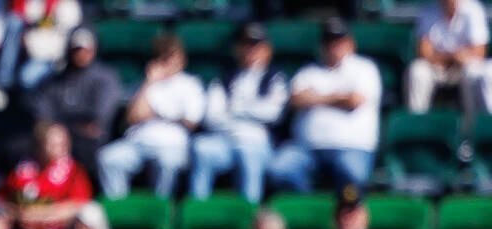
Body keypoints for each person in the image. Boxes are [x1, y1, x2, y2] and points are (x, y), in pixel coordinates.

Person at [268, 20, 382, 193]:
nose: (334, 46)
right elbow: (296, 99)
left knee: (352, 173)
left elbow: (354, 101)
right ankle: (308, 205)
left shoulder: (364, 68)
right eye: (329, 41)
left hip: (352, 147)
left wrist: (316, 97)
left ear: (351, 43)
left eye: (339, 40)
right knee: (279, 170)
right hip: (306, 147)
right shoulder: (308, 71)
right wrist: (337, 97)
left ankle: (344, 209)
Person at [188, 22, 289, 202]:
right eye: (246, 45)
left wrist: (236, 109)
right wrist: (249, 114)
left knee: (248, 151)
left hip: (258, 144)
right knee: (201, 147)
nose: (251, 51)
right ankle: (198, 207)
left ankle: (250, 209)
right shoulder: (224, 78)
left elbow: (273, 113)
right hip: (225, 141)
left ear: (267, 49)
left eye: (256, 45)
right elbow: (212, 117)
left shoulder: (274, 78)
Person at [96, 33, 205, 198]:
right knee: (108, 159)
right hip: (137, 143)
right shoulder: (145, 83)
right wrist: (149, 82)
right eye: (163, 57)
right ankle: (120, 208)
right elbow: (133, 117)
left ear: (182, 59)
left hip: (171, 145)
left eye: (172, 56)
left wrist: (158, 112)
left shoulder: (190, 85)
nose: (168, 61)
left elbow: (191, 121)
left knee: (168, 163)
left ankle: (161, 210)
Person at [27, 26, 121, 175]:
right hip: (55, 138)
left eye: (86, 49)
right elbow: (43, 117)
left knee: (87, 149)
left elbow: (98, 120)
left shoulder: (105, 79)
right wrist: (68, 127)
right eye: (77, 49)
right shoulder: (54, 80)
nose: (81, 54)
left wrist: (64, 124)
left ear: (94, 50)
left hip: (91, 142)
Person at [2, 120, 94, 229]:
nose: (60, 148)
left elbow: (78, 206)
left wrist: (38, 216)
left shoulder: (74, 172)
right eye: (53, 143)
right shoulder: (22, 171)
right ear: (40, 145)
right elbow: (4, 202)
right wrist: (19, 214)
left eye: (63, 143)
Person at [0, 0, 86, 114]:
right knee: (14, 23)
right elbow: (26, 22)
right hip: (29, 54)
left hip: (51, 60)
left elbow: (64, 43)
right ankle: (1, 83)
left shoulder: (68, 6)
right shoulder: (35, 3)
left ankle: (31, 106)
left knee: (27, 77)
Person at [407, 0, 492, 125]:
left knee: (472, 71)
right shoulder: (428, 11)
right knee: (417, 70)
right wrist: (452, 56)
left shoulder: (473, 10)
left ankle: (472, 126)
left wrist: (458, 57)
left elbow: (479, 52)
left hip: (464, 66)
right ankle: (416, 125)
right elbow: (424, 52)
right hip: (438, 66)